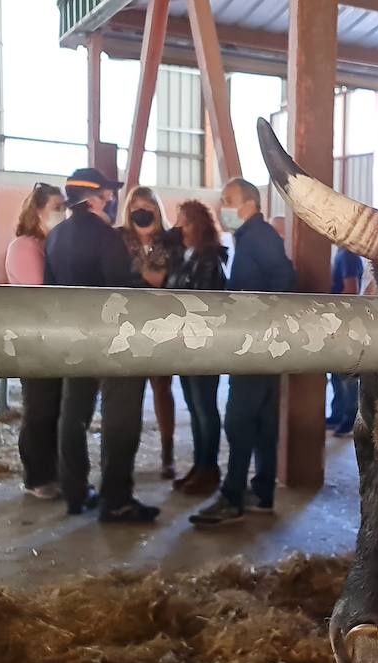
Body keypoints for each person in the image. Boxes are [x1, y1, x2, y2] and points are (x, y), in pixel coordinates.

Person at [45, 168, 160, 523]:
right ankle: (117, 498)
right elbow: (120, 289)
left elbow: (50, 288)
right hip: (111, 339)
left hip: (71, 337)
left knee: (73, 414)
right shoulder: (106, 237)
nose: (111, 201)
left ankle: (75, 491)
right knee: (120, 415)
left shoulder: (55, 237)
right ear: (93, 198)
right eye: (108, 196)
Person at [190, 178, 297, 526]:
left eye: (229, 199)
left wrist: (264, 321)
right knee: (264, 421)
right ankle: (261, 492)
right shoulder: (248, 237)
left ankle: (232, 496)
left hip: (256, 344)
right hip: (261, 345)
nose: (223, 207)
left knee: (238, 419)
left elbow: (285, 278)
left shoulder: (260, 237)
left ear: (250, 203)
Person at [5, 182, 66, 499]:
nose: (63, 212)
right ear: (37, 211)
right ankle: (37, 476)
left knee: (54, 408)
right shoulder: (25, 247)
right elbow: (41, 291)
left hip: (54, 340)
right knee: (40, 409)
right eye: (57, 207)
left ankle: (53, 472)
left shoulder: (49, 244)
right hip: (35, 339)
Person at [118, 186, 182, 479]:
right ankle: (123, 458)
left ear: (157, 208)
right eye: (135, 206)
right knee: (128, 393)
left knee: (162, 388)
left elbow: (164, 280)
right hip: (127, 323)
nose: (140, 211)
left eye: (147, 205)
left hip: (161, 322)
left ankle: (167, 453)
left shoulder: (170, 241)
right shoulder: (118, 239)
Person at [167, 199, 229, 498]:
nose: (179, 227)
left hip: (203, 345)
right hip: (182, 344)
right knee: (194, 408)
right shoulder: (184, 256)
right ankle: (199, 465)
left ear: (199, 225)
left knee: (205, 408)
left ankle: (210, 468)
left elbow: (200, 302)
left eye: (185, 222)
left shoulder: (209, 259)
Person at [325, 245, 364, 437]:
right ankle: (337, 414)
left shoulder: (348, 255)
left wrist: (328, 303)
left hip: (344, 322)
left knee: (346, 377)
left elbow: (351, 290)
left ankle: (349, 419)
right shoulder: (343, 254)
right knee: (336, 375)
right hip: (338, 321)